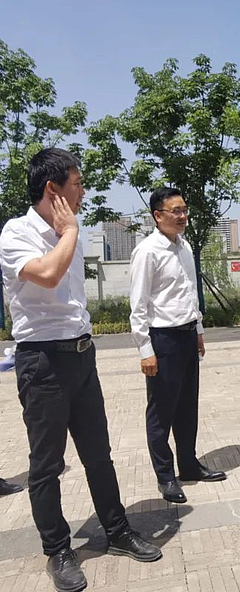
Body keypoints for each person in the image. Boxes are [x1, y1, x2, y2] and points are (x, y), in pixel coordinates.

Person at [0, 148, 162, 592]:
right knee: (46, 464)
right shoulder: (16, 233)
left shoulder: (69, 229)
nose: (84, 192)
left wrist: (69, 230)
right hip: (42, 361)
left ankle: (117, 529)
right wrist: (69, 231)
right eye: (77, 184)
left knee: (98, 453)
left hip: (81, 354)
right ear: (53, 189)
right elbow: (48, 275)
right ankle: (58, 550)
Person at [129, 188, 226, 505]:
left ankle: (189, 464)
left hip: (186, 336)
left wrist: (198, 329)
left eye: (185, 210)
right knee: (161, 412)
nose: (183, 216)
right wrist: (146, 350)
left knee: (187, 406)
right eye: (176, 211)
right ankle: (165, 476)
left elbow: (189, 294)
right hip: (163, 339)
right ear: (158, 215)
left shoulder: (184, 247)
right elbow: (138, 306)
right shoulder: (148, 251)